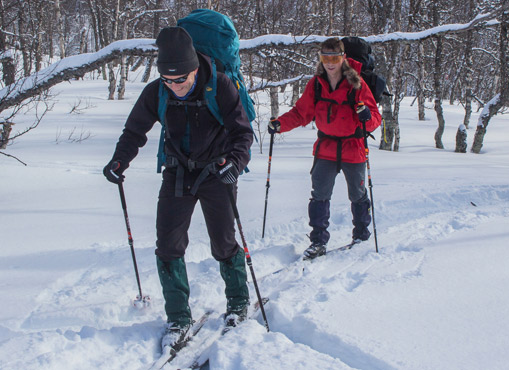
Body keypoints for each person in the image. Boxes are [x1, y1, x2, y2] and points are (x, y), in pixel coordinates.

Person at [102, 27, 253, 349]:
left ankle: (239, 302)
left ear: (195, 69)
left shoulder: (220, 86)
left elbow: (242, 133)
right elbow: (134, 131)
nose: (175, 87)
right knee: (168, 246)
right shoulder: (157, 92)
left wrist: (234, 163)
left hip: (217, 172)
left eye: (181, 80)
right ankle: (178, 317)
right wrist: (119, 161)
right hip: (177, 174)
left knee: (223, 242)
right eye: (168, 81)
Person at [267, 37, 382, 259]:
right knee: (319, 195)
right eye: (325, 57)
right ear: (321, 58)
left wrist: (367, 116)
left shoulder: (357, 84)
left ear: (343, 58)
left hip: (353, 146)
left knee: (357, 194)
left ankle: (361, 233)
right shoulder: (316, 84)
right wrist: (280, 124)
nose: (330, 63)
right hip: (326, 147)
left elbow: (374, 117)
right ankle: (318, 241)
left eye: (335, 57)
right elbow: (301, 113)